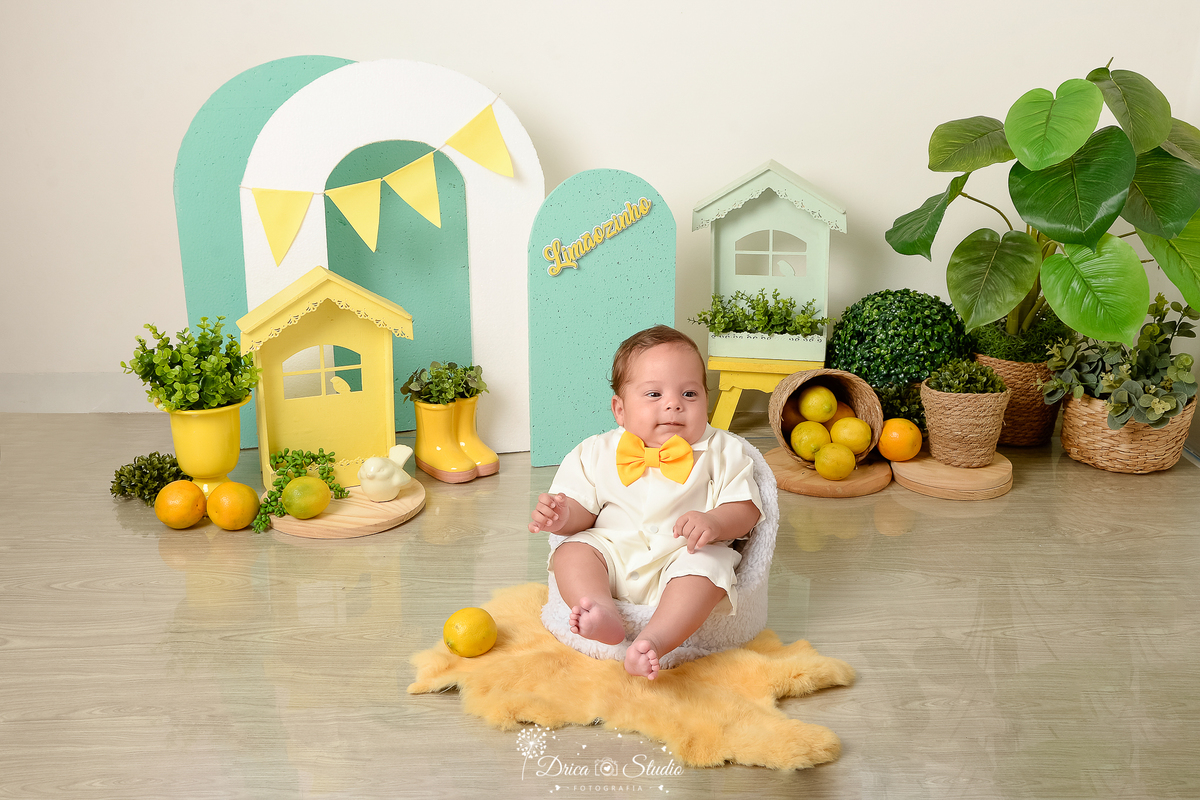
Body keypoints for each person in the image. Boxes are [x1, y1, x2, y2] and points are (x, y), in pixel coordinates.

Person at [529, 325, 763, 679]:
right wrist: (562, 516)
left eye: (689, 393)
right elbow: (582, 512)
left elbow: (747, 509)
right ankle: (599, 609)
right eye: (654, 394)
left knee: (711, 569)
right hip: (613, 552)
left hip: (682, 557)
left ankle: (654, 640)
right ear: (620, 410)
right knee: (571, 552)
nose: (673, 404)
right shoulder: (594, 452)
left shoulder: (724, 450)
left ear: (706, 400)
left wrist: (715, 521)